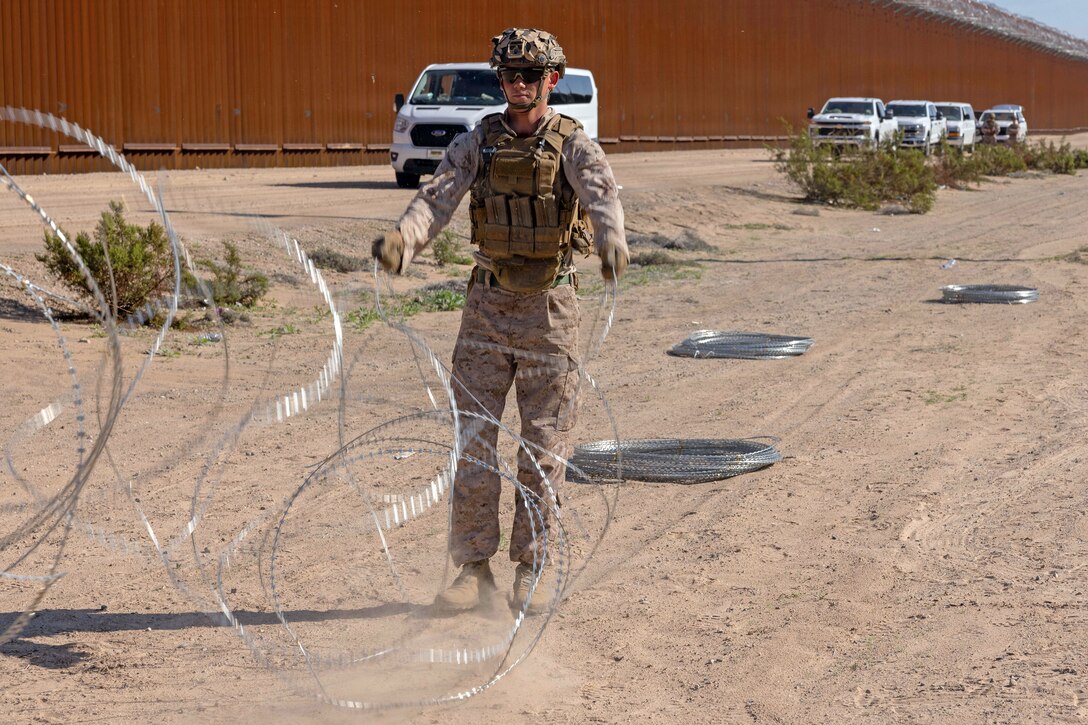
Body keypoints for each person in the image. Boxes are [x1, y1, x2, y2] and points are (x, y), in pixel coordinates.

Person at [371, 27, 628, 614]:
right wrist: (404, 241)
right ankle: (472, 569)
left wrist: (614, 244)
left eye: (528, 77)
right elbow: (438, 196)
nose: (516, 85)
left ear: (551, 81)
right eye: (508, 76)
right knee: (474, 442)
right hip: (486, 309)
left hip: (549, 312)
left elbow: (601, 195)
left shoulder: (572, 145)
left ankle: (532, 570)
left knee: (543, 449)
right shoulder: (478, 143)